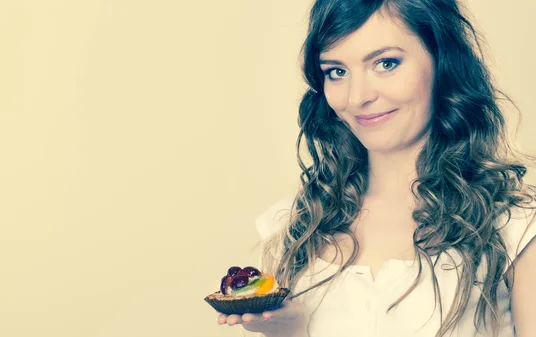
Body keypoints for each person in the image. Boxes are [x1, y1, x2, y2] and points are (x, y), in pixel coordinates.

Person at [216, 0, 536, 336]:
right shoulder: (295, 228)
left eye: (386, 63)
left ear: (443, 62)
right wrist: (290, 330)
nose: (356, 98)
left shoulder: (516, 226)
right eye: (336, 71)